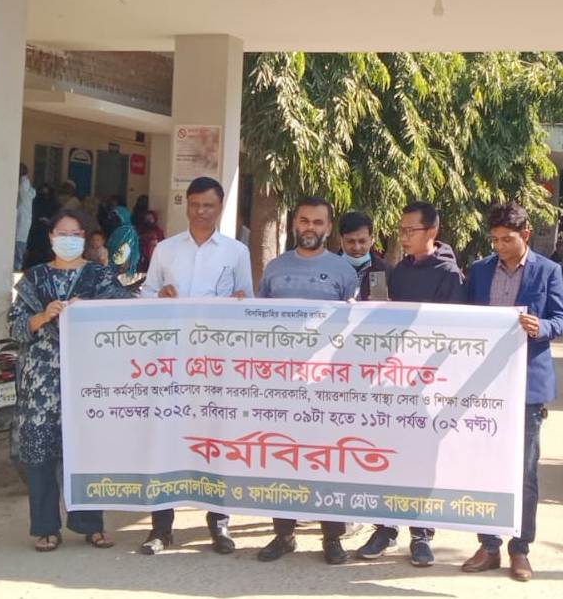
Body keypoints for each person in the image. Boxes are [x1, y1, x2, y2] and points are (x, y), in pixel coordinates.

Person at [137, 176, 252, 556]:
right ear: (186, 205)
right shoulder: (166, 249)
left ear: (220, 208)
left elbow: (247, 302)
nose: (201, 211)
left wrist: (239, 302)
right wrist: (159, 295)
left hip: (216, 364)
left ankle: (218, 524)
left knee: (215, 440)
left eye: (209, 206)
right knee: (165, 438)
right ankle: (161, 527)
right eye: (195, 204)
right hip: (171, 362)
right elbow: (146, 294)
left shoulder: (236, 252)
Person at [9, 209, 130, 552]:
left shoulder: (99, 276)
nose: (68, 240)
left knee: (88, 450)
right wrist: (42, 316)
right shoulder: (34, 278)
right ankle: (46, 527)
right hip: (41, 382)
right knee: (40, 453)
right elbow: (15, 327)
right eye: (62, 234)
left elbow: (125, 316)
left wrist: (90, 310)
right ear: (51, 238)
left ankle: (91, 525)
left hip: (88, 378)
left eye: (75, 234)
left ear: (84, 238)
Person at [462, 202, 563, 583]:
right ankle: (488, 545)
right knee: (484, 467)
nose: (499, 247)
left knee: (524, 472)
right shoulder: (479, 271)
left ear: (525, 235)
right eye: (494, 240)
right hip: (483, 385)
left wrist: (541, 327)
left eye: (506, 239)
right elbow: (464, 318)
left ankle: (519, 549)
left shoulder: (548, 271)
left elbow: (561, 319)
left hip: (527, 386)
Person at [357, 200, 467, 567]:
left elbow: (453, 333)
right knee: (389, 455)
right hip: (392, 382)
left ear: (432, 232)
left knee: (422, 460)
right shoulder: (397, 272)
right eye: (401, 230)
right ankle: (385, 527)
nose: (404, 237)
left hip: (430, 385)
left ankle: (421, 534)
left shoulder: (450, 275)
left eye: (411, 231)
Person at [254, 197, 361, 565]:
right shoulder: (275, 268)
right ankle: (283, 534)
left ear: (328, 228)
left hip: (327, 385)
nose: (310, 228)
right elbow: (257, 322)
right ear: (294, 224)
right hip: (281, 384)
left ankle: (332, 537)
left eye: (318, 222)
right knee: (282, 456)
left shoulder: (343, 271)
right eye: (304, 220)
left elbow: (358, 330)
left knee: (329, 459)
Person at [338, 211, 389, 301]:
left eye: (362, 241)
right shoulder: (328, 270)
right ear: (341, 240)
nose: (356, 247)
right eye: (351, 241)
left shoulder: (386, 271)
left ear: (372, 240)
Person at [106, 206, 140, 280]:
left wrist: (121, 266)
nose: (114, 220)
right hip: (112, 264)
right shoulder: (116, 231)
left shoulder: (127, 231)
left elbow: (125, 250)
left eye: (117, 217)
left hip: (122, 266)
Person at [15, 164, 36, 271]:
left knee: (17, 257)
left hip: (20, 226)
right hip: (23, 225)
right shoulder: (26, 184)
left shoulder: (23, 183)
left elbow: (22, 198)